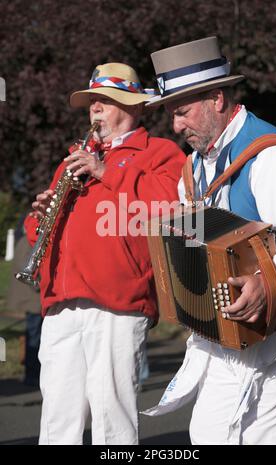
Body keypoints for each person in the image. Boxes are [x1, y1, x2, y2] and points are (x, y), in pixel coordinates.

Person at [144, 37, 276, 445]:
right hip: (224, 338)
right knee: (208, 434)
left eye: (181, 112)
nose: (175, 126)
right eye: (171, 114)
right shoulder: (193, 169)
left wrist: (269, 280)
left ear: (216, 98)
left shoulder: (270, 156)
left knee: (264, 439)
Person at [24, 62, 186, 445]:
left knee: (112, 421)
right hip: (60, 303)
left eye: (104, 100)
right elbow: (39, 236)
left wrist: (105, 172)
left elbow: (169, 206)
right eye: (92, 100)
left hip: (118, 303)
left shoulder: (159, 152)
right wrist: (38, 217)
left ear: (132, 106)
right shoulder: (76, 158)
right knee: (56, 421)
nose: (94, 107)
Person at [6, 216, 42, 387]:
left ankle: (33, 373)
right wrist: (42, 285)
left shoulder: (23, 241)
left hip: (32, 299)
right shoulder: (27, 243)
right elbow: (29, 271)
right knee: (33, 337)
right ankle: (32, 374)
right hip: (33, 299)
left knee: (34, 336)